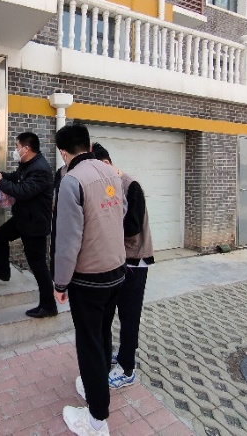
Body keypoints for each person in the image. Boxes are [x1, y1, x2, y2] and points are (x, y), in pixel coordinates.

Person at [52, 124, 126, 436]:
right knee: (103, 334)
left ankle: (96, 420)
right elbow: (121, 213)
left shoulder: (71, 181)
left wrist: (60, 283)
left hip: (89, 279)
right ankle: (95, 385)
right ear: (89, 145)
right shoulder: (111, 172)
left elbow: (68, 240)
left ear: (63, 152)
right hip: (117, 271)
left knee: (89, 343)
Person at [91, 142, 154, 389]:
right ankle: (116, 356)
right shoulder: (108, 186)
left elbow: (132, 227)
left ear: (106, 163)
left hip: (133, 262)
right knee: (110, 313)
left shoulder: (130, 185)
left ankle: (127, 369)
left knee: (129, 316)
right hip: (116, 260)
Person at [0, 132, 57, 318]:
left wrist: (0, 181)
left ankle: (49, 306)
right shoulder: (27, 164)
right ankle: (2, 271)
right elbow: (15, 177)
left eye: (17, 147)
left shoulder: (40, 169)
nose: (15, 150)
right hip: (23, 218)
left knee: (38, 265)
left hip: (35, 224)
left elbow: (22, 191)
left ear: (27, 148)